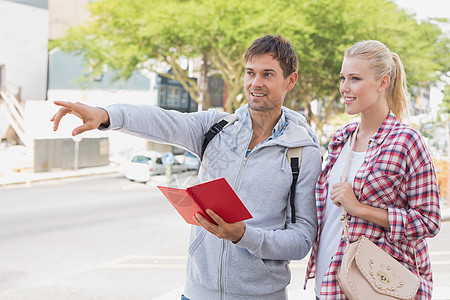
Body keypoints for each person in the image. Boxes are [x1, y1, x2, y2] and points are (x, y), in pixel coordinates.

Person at [51, 34, 322, 300]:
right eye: (250, 73)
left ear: (291, 80)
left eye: (267, 74)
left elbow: (301, 240)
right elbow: (161, 120)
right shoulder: (216, 128)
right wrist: (106, 115)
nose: (255, 83)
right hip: (195, 294)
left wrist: (244, 236)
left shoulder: (301, 152)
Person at [304, 40, 441, 299]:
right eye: (343, 78)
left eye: (355, 79)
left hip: (377, 285)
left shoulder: (407, 141)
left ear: (382, 83)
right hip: (330, 281)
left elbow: (429, 221)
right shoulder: (340, 139)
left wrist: (361, 209)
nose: (345, 88)